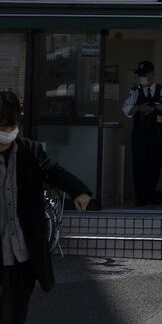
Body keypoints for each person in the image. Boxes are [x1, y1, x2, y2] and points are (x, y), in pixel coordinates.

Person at [0, 89, 91, 323]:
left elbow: (53, 171)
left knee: (16, 315)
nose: (8, 132)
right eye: (3, 127)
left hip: (22, 256)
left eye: (12, 126)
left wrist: (78, 190)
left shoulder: (30, 152)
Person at [121, 60, 162, 207]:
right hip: (140, 133)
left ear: (151, 74)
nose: (142, 78)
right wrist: (139, 107)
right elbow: (126, 109)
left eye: (144, 75)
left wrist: (154, 108)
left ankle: (152, 195)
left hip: (157, 133)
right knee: (139, 165)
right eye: (140, 75)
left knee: (155, 164)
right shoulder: (135, 91)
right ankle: (141, 197)